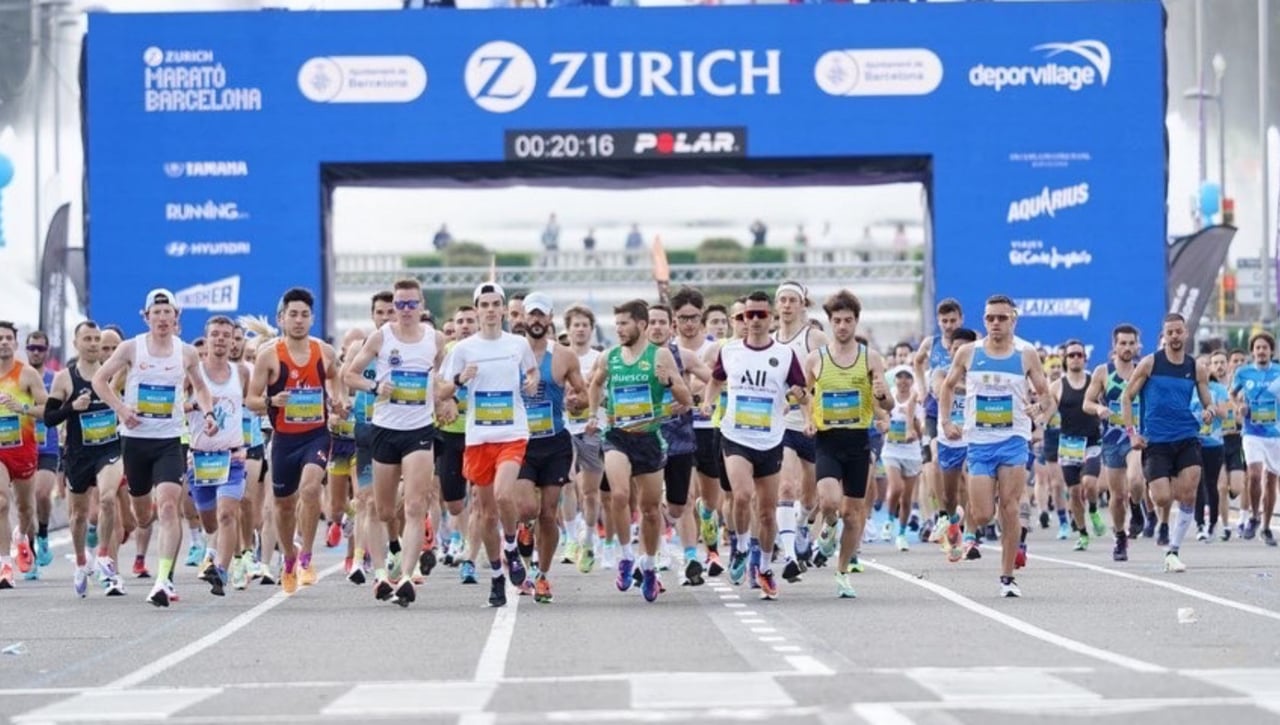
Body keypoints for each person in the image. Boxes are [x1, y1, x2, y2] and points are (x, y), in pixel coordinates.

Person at [91, 289, 217, 607]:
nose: (162, 318)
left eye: (167, 312)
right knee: (142, 515)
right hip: (135, 440)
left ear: (176, 318)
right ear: (146, 317)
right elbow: (100, 381)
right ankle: (137, 539)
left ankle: (163, 580)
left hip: (170, 439)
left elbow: (201, 387)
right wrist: (122, 409)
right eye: (156, 313)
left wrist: (209, 412)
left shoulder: (186, 353)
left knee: (169, 506)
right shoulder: (131, 347)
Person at [343, 278, 447, 606]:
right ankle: (380, 573)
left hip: (419, 431)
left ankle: (405, 576)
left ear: (421, 306)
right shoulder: (381, 337)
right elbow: (349, 374)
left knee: (416, 505)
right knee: (382, 509)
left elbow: (439, 381)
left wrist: (446, 399)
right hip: (385, 430)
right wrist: (374, 388)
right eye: (399, 305)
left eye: (410, 304)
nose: (404, 310)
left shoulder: (436, 339)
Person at [938, 294, 1051, 598]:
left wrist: (1039, 412)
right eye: (990, 318)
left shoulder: (1026, 353)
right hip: (978, 441)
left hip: (1014, 439)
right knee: (984, 513)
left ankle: (1007, 577)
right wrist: (947, 422)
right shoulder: (967, 352)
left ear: (1013, 319)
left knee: (1011, 508)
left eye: (1002, 318)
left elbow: (1046, 396)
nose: (995, 323)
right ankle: (966, 525)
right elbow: (947, 387)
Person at [702, 291, 809, 600]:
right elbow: (715, 380)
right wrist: (708, 402)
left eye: (762, 315)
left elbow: (801, 389)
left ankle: (762, 566)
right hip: (735, 435)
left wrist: (805, 410)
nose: (756, 321)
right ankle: (740, 546)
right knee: (741, 495)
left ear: (771, 317)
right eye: (750, 315)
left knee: (766, 512)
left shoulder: (785, 355)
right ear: (743, 319)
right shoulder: (731, 351)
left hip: (771, 438)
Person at [438, 282, 539, 608]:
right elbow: (439, 392)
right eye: (485, 304)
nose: (492, 309)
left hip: (512, 433)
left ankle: (511, 545)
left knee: (503, 494)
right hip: (479, 436)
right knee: (484, 513)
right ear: (477, 309)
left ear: (504, 308)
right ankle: (497, 574)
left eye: (497, 304)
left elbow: (532, 371)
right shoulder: (462, 349)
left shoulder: (518, 344)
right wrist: (458, 381)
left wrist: (532, 380)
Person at [586, 299, 691, 602]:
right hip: (617, 436)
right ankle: (625, 556)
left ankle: (648, 566)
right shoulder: (610, 357)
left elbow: (686, 398)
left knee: (649, 509)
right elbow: (595, 385)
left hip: (649, 438)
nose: (618, 329)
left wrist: (669, 381)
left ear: (641, 325)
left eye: (624, 323)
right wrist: (594, 414)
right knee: (618, 495)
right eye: (616, 323)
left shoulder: (659, 355)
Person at [247, 287, 344, 595]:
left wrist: (338, 400)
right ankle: (288, 556)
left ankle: (306, 557)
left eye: (304, 315)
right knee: (283, 506)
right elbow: (250, 399)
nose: (299, 321)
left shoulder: (323, 351)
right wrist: (272, 400)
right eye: (293, 315)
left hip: (316, 435)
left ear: (312, 319)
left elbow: (335, 375)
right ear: (281, 319)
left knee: (311, 488)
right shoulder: (269, 356)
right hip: (284, 440)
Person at [802, 290, 892, 599]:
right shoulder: (816, 359)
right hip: (827, 440)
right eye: (837, 321)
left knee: (854, 514)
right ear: (829, 323)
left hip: (858, 441)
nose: (842, 326)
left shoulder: (870, 358)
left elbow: (888, 404)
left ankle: (842, 573)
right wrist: (807, 417)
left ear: (856, 322)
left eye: (848, 320)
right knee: (829, 501)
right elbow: (804, 394)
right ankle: (827, 528)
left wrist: (881, 397)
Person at [1121, 313, 1213, 572]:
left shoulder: (1196, 368)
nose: (1174, 336)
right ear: (1164, 336)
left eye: (1178, 332)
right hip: (1157, 440)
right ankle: (1148, 509)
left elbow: (1208, 402)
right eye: (1169, 332)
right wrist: (1131, 433)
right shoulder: (1150, 363)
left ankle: (1173, 550)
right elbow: (1127, 397)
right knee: (1162, 498)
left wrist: (1210, 411)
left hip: (1186, 436)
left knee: (1189, 492)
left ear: (1186, 334)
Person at [45, 321, 127, 596]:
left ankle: (104, 554)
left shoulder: (113, 374)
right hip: (79, 453)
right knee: (78, 516)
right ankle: (81, 561)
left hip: (109, 448)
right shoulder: (65, 378)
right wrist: (72, 407)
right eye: (88, 339)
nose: (93, 344)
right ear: (77, 343)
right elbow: (48, 418)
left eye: (96, 339)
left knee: (106, 498)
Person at [0, 321, 50, 589]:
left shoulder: (27, 374)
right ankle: (4, 566)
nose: (3, 342)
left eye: (8, 338)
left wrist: (22, 407)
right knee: (1, 503)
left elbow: (47, 409)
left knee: (25, 508)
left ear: (15, 344)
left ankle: (22, 537)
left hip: (23, 448)